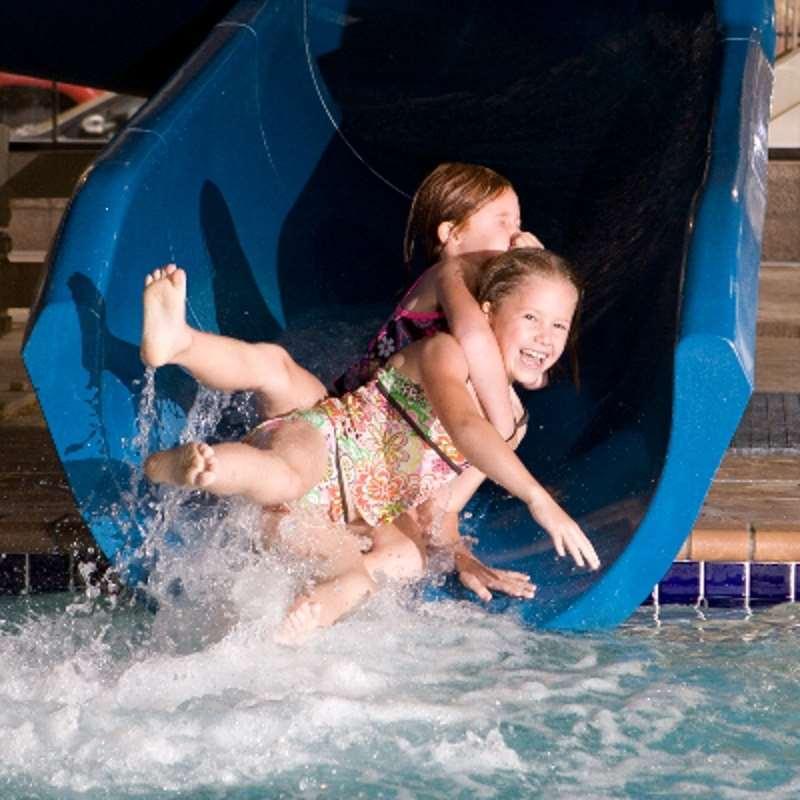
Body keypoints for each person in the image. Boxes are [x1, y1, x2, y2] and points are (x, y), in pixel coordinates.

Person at [144, 248, 601, 643]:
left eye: (560, 325)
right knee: (285, 475)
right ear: (486, 314)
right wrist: (536, 497)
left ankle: (297, 625)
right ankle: (205, 462)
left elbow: (439, 510)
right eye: (530, 318)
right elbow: (463, 424)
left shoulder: (513, 426)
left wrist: (461, 555)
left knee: (354, 582)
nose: (546, 336)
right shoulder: (446, 352)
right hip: (325, 443)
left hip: (338, 513)